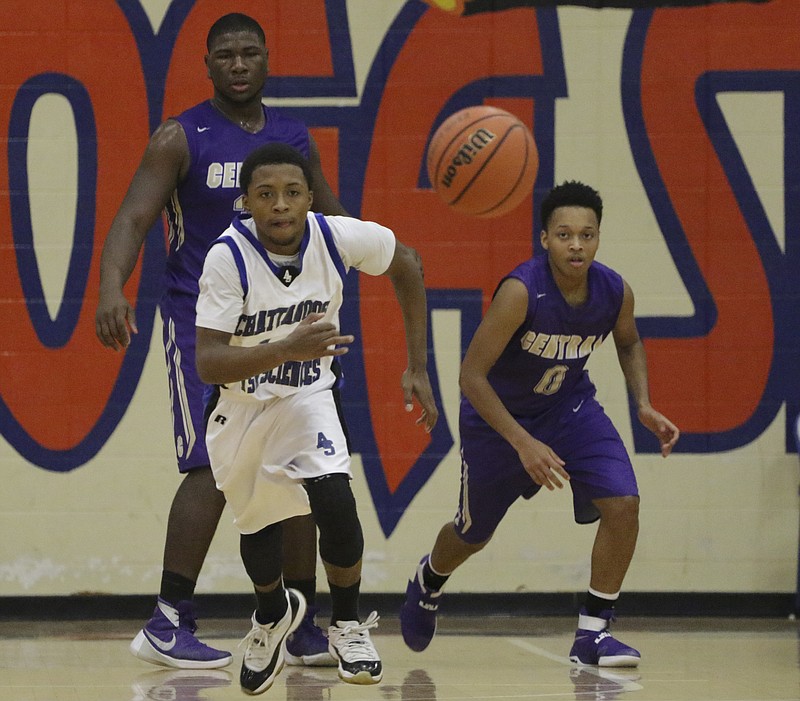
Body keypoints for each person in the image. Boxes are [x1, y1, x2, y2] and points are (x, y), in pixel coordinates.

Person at [95, 13, 348, 669]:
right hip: (200, 322)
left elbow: (330, 219)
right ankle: (168, 618)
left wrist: (383, 252)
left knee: (299, 461)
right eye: (227, 55)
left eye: (250, 53)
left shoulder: (293, 139)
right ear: (208, 65)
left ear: (267, 60)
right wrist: (110, 286)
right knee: (210, 462)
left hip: (283, 328)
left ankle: (299, 622)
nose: (239, 65)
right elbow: (132, 216)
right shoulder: (181, 137)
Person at [399, 180, 680, 667]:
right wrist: (522, 442)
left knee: (624, 503)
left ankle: (592, 634)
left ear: (598, 239)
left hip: (569, 409)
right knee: (473, 534)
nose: (577, 245)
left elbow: (629, 341)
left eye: (587, 235)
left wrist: (643, 403)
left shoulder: (615, 290)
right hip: (498, 420)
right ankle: (429, 580)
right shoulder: (521, 292)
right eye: (565, 235)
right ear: (545, 239)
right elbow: (471, 376)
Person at [194, 142, 438, 693]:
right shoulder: (227, 258)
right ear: (247, 203)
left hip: (309, 397)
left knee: (336, 499)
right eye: (266, 195)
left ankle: (347, 624)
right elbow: (208, 361)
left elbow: (409, 263)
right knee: (257, 528)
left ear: (309, 199)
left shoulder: (335, 236)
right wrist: (285, 348)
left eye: (291, 193)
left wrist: (417, 366)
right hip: (241, 404)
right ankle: (269, 616)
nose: (279, 205)